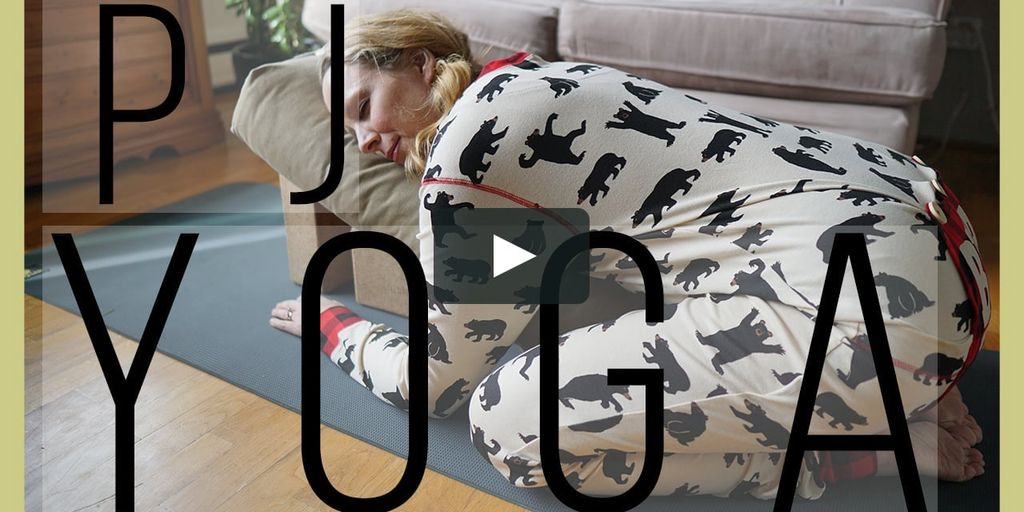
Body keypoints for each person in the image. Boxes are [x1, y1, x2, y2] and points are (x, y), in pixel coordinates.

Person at [270, 9, 988, 499]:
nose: (363, 141)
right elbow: (564, 264)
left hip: (877, 326)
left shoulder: (462, 160)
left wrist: (334, 326)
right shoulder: (542, 78)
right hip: (939, 244)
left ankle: (852, 454)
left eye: (364, 107)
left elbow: (436, 387)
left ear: (423, 66)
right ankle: (915, 385)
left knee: (507, 422)